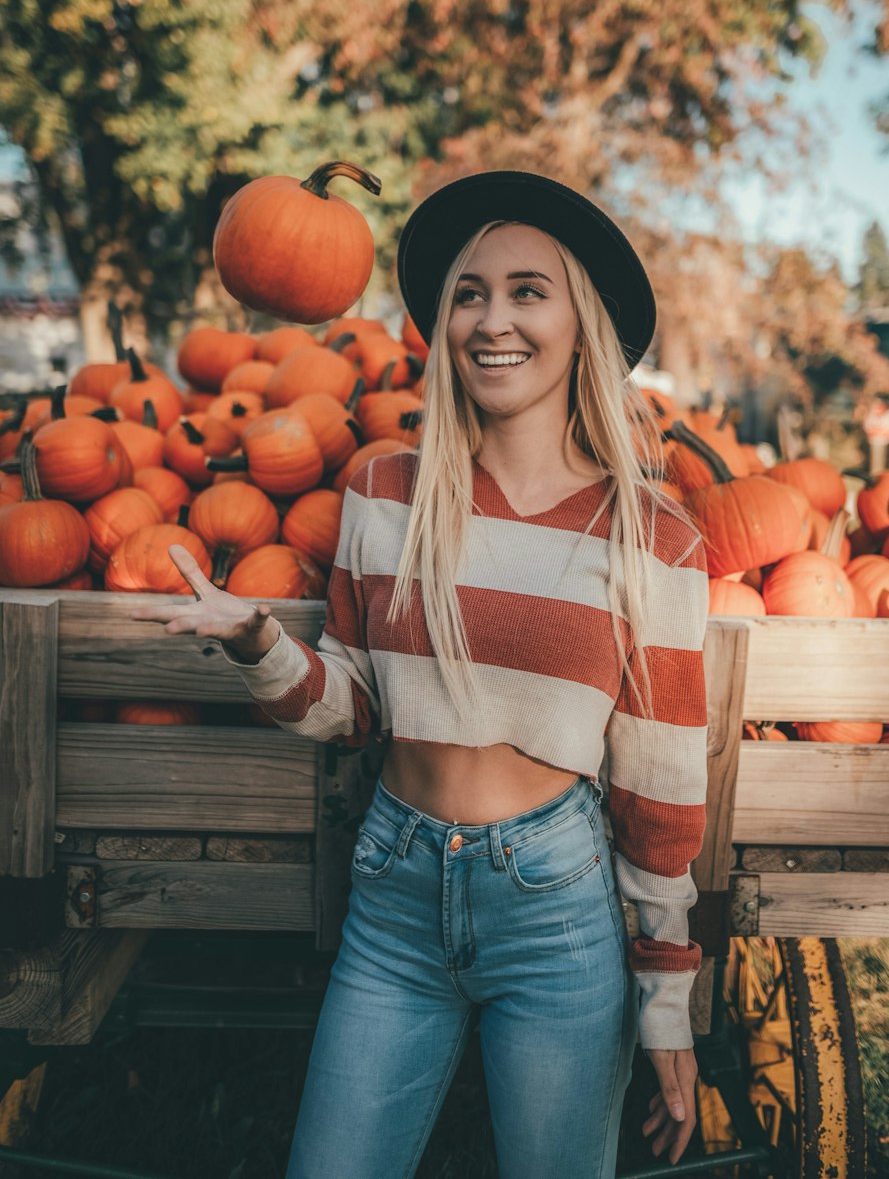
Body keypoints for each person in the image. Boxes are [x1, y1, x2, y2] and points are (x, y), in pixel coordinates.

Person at [136, 169, 710, 1179]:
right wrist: (256, 643)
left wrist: (667, 1006)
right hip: (394, 896)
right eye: (468, 293)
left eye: (528, 290)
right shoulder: (384, 490)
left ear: (584, 323)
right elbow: (356, 709)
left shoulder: (650, 538)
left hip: (554, 909)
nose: (493, 319)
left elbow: (658, 794)